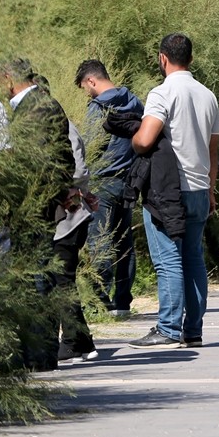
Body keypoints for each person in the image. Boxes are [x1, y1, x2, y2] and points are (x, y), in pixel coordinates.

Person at [0, 58, 97, 369]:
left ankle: (39, 355)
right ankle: (38, 353)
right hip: (39, 204)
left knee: (37, 279)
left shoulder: (37, 107)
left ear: (7, 78)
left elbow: (41, 163)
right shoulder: (41, 103)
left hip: (32, 206)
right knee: (38, 278)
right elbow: (62, 159)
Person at [129, 33, 219, 349]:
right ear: (191, 59)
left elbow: (144, 139)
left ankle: (167, 328)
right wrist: (210, 190)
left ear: (162, 58)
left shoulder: (162, 93)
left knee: (167, 260)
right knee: (193, 257)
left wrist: (134, 139)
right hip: (198, 187)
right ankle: (192, 330)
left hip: (168, 190)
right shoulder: (208, 95)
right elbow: (213, 150)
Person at [75, 59, 144, 318]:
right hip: (129, 182)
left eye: (85, 87)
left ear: (92, 80)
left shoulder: (98, 108)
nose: (87, 92)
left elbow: (91, 147)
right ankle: (123, 302)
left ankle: (100, 303)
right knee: (124, 241)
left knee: (100, 241)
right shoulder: (136, 102)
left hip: (103, 184)